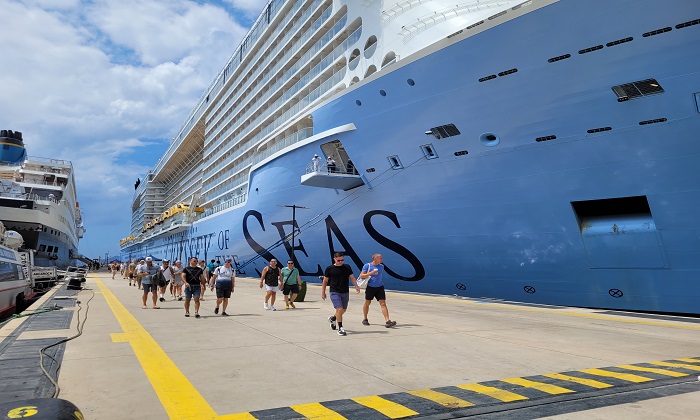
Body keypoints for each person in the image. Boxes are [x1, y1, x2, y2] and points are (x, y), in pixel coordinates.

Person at [322, 252, 360, 336]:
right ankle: (340, 328)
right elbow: (325, 281)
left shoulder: (347, 267)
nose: (340, 262)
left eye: (342, 260)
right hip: (334, 291)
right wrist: (323, 292)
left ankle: (333, 318)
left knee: (343, 310)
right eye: (338, 260)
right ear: (334, 259)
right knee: (339, 309)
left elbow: (352, 277)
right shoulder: (329, 269)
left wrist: (356, 286)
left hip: (345, 291)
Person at [360, 254, 396, 328]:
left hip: (380, 287)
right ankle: (365, 318)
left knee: (383, 304)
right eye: (380, 258)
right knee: (367, 302)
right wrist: (371, 273)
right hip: (370, 287)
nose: (381, 259)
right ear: (375, 259)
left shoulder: (381, 266)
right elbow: (361, 276)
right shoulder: (367, 265)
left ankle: (388, 321)